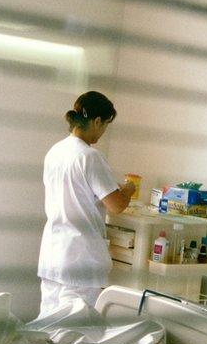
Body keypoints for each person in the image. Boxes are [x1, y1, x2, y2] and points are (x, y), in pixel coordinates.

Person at [37, 91, 135, 316]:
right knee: (75, 329)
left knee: (47, 324)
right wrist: (129, 188)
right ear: (97, 121)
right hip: (80, 258)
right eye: (105, 126)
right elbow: (117, 205)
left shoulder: (55, 151)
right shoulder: (90, 156)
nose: (103, 132)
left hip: (53, 254)